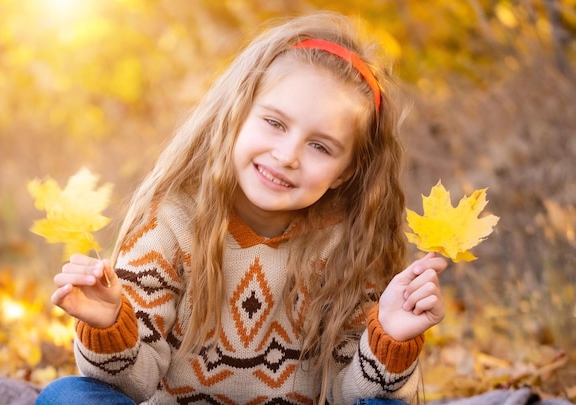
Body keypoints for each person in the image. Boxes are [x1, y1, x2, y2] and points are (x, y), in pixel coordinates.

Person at [36, 11, 448, 405]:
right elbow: (133, 384)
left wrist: (390, 339)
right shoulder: (171, 223)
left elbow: (350, 396)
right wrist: (109, 324)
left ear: (345, 172)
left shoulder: (349, 247)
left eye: (320, 146)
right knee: (66, 397)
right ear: (237, 116)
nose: (288, 155)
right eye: (275, 123)